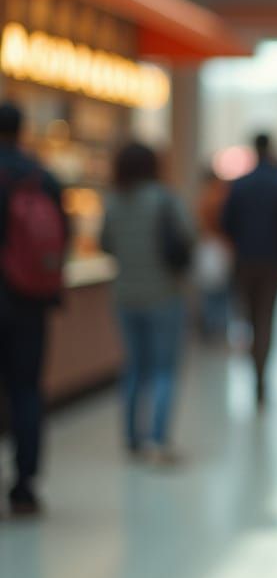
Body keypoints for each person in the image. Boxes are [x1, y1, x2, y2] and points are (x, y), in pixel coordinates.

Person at [101, 142, 193, 463]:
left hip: (125, 295)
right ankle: (157, 439)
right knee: (164, 369)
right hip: (164, 294)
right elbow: (187, 239)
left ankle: (131, 438)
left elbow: (105, 243)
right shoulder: (164, 199)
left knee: (134, 367)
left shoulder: (112, 201)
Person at [0, 101, 67, 515]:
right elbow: (63, 239)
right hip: (28, 302)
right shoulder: (42, 178)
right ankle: (24, 484)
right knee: (26, 391)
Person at [220, 133, 277, 405]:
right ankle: (260, 378)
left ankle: (254, 366)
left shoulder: (240, 185)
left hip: (244, 260)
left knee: (249, 318)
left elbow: (226, 223)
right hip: (273, 261)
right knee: (266, 319)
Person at [193, 166, 233, 341]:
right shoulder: (221, 197)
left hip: (210, 247)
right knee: (220, 292)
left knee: (211, 292)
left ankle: (212, 327)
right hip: (220, 247)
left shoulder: (205, 199)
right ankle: (219, 328)